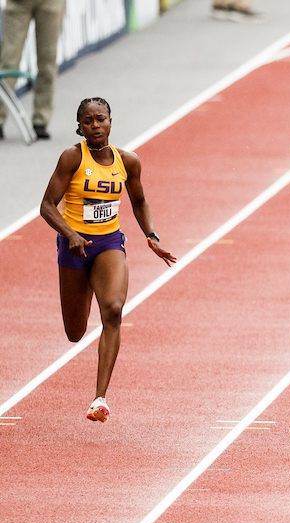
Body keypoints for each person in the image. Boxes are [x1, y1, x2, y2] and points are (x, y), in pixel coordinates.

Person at [38, 97, 176, 422]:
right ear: (80, 127)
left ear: (111, 121)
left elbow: (139, 201)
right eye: (88, 121)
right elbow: (46, 205)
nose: (95, 125)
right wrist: (69, 234)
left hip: (109, 243)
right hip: (74, 247)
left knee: (113, 310)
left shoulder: (128, 161)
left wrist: (151, 236)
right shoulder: (72, 157)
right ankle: (82, 287)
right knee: (75, 332)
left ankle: (99, 398)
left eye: (100, 119)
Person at [0, 0, 65, 140]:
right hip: (18, 3)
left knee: (48, 62)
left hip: (50, 3)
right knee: (8, 61)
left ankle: (41, 120)